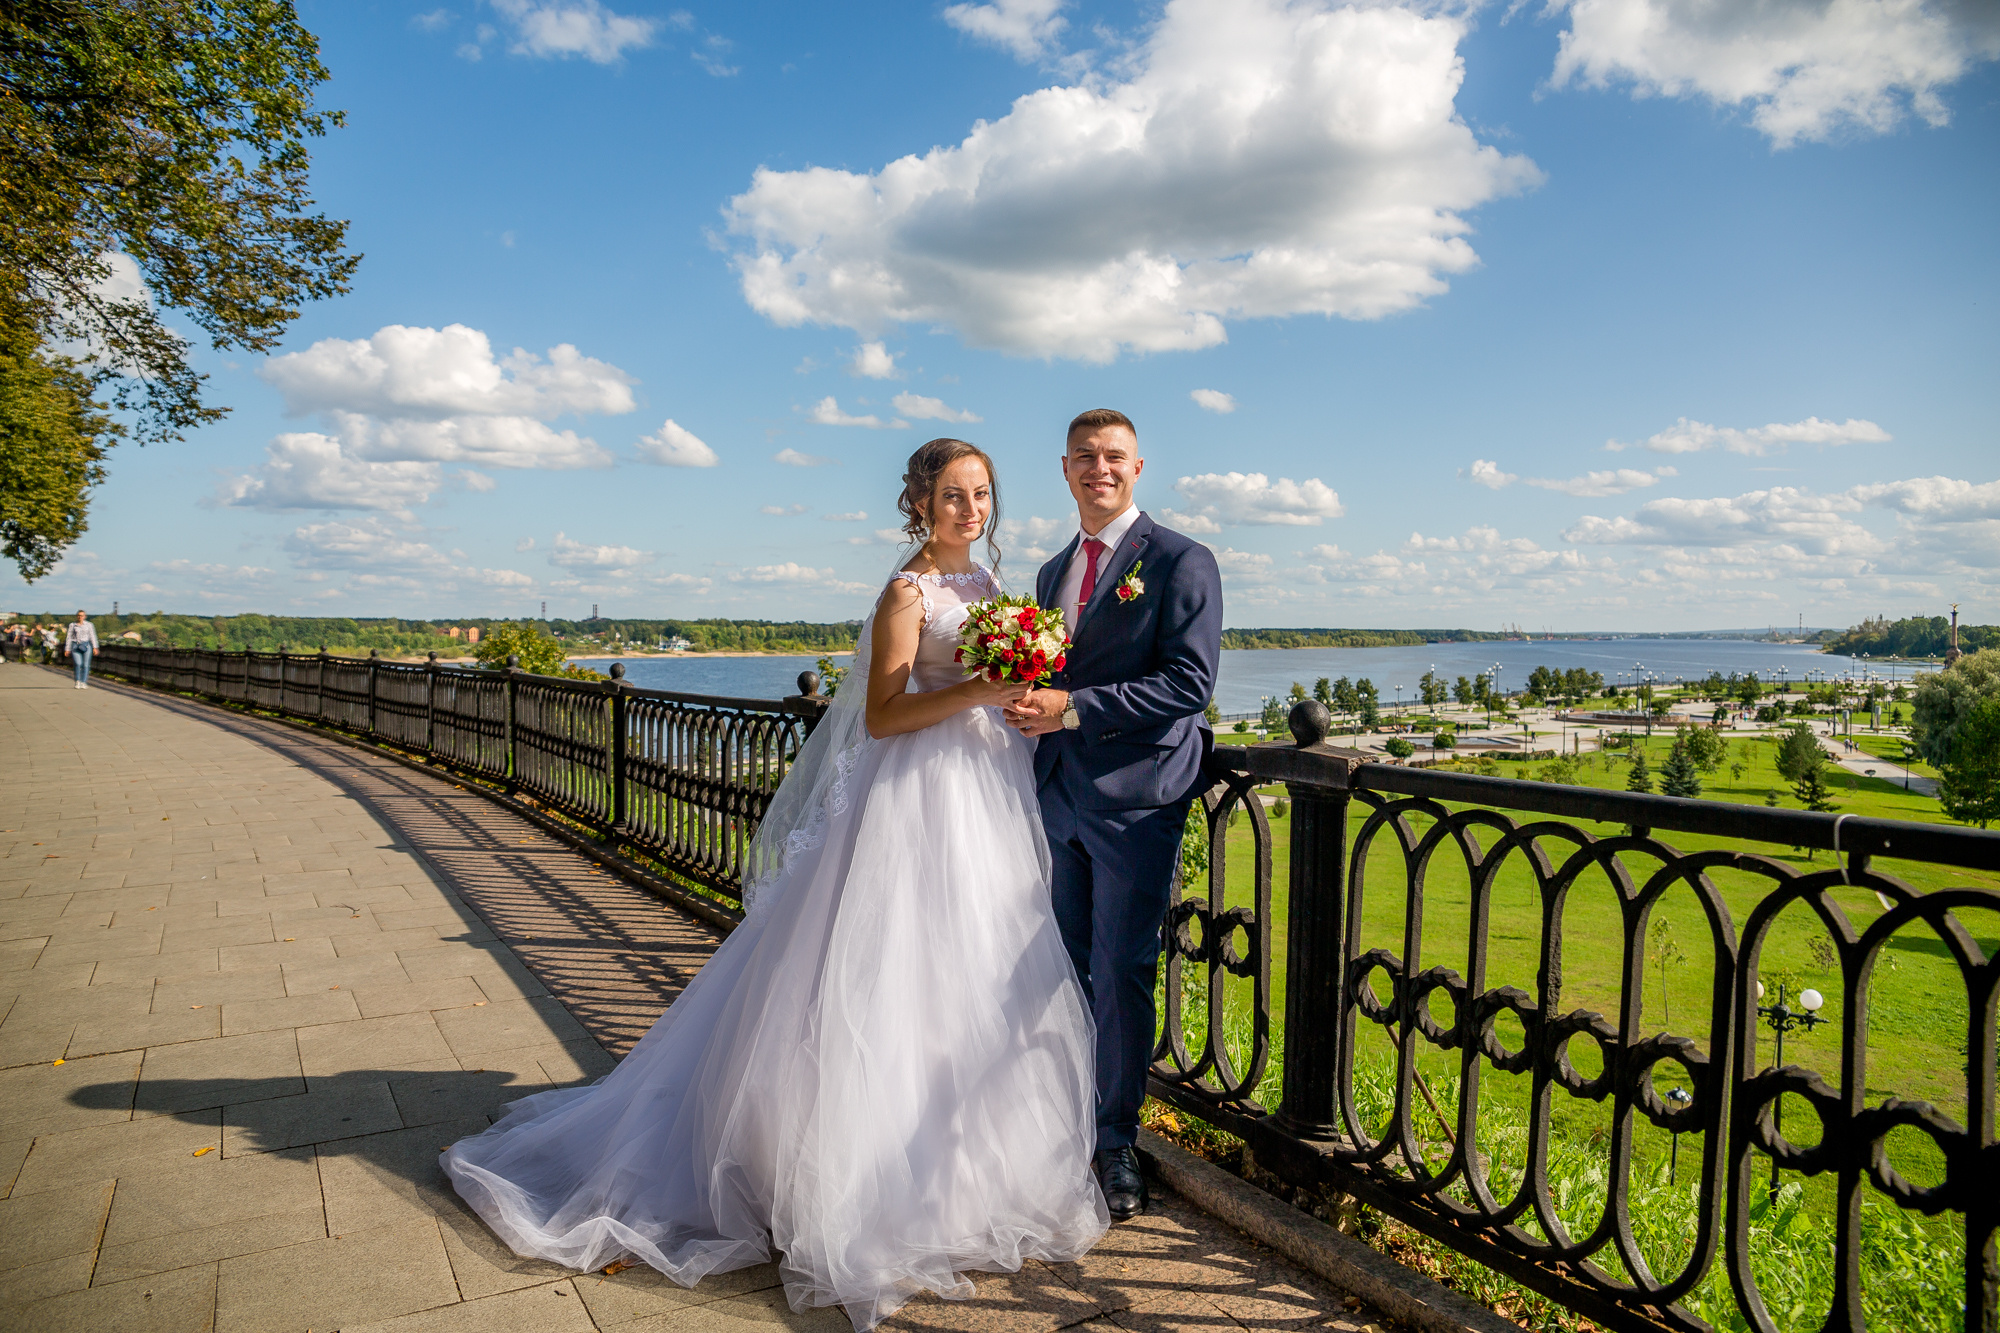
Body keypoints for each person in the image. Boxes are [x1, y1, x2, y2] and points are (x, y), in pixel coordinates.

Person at [442, 438, 1106, 1331]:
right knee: (891, 976)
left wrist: (1014, 695)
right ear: (919, 502)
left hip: (983, 795)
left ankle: (963, 1178)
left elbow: (983, 691)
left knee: (975, 975)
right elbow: (882, 713)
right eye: (953, 495)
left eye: (982, 493)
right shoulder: (906, 592)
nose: (970, 510)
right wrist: (981, 689)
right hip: (911, 802)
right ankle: (864, 1193)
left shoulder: (991, 591)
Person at [1004, 408, 1223, 1221]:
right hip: (1057, 794)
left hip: (1138, 801)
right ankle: (1054, 1118)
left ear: (1139, 467)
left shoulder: (1180, 559)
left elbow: (1187, 685)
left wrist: (1071, 706)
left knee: (1122, 972)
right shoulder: (1052, 569)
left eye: (1114, 457)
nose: (1100, 468)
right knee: (1060, 967)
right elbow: (1044, 670)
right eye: (1085, 457)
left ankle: (1116, 1138)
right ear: (1065, 470)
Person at [64, 611, 99, 688]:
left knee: (86, 665)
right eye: (79, 615)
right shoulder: (72, 625)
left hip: (86, 645)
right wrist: (67, 649)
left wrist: (95, 647)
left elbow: (92, 636)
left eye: (82, 616)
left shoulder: (89, 625)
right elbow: (69, 637)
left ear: (85, 616)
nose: (80, 617)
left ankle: (84, 682)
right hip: (76, 645)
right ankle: (77, 681)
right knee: (78, 663)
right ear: (77, 616)